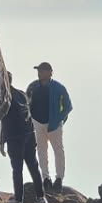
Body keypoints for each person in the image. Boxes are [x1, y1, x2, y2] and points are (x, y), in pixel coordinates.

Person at [0, 73, 48, 203]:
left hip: (15, 137)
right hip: (29, 134)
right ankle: (41, 199)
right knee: (33, 166)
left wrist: (1, 141)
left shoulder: (5, 97)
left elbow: (3, 119)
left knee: (17, 168)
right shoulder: (22, 94)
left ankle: (18, 200)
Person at [26, 62, 74, 192]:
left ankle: (59, 179)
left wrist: (59, 120)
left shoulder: (58, 87)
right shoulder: (33, 86)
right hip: (37, 123)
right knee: (42, 150)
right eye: (39, 70)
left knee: (58, 151)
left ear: (50, 72)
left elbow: (68, 106)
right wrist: (31, 120)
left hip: (54, 124)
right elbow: (26, 104)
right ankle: (46, 178)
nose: (39, 73)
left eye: (42, 70)